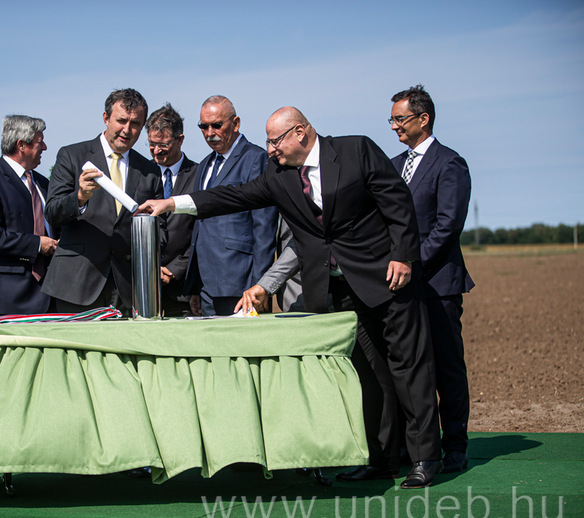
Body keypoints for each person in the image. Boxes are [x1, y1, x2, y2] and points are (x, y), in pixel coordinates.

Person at [137, 106, 443, 489]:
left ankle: (426, 457)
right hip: (339, 290)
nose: (269, 149)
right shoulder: (279, 176)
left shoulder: (356, 151)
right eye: (267, 142)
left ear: (300, 132)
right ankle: (381, 460)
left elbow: (398, 203)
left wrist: (403, 256)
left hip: (387, 279)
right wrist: (173, 203)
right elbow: (234, 196)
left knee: (409, 367)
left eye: (275, 141)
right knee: (368, 374)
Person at [390, 85, 475, 473]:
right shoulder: (393, 166)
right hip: (400, 286)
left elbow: (447, 225)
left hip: (438, 284)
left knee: (446, 368)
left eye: (400, 119)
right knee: (409, 368)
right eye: (391, 120)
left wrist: (412, 263)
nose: (394, 126)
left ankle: (455, 446)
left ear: (423, 119)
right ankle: (411, 447)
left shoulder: (450, 163)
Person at [42, 89, 164, 315]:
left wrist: (146, 230)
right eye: (121, 121)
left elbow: (161, 230)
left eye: (135, 124)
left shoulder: (150, 171)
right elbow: (52, 213)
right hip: (76, 285)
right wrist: (79, 197)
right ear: (106, 118)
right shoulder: (71, 155)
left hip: (127, 289)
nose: (127, 130)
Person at [0, 115, 58, 329]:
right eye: (39, 141)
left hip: (44, 300)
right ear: (21, 145)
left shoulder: (43, 184)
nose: (44, 147)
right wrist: (37, 244)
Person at [184, 96, 277, 316]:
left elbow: (264, 228)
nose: (210, 133)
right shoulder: (205, 164)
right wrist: (195, 286)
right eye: (203, 127)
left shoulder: (256, 159)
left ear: (236, 123)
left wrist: (260, 285)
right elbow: (200, 225)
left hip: (241, 285)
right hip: (207, 286)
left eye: (217, 125)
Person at [145, 103, 198, 317]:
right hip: (144, 289)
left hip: (184, 291)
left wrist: (174, 269)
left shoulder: (200, 175)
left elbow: (202, 231)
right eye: (151, 144)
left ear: (180, 140)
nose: (156, 151)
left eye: (163, 144)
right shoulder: (140, 175)